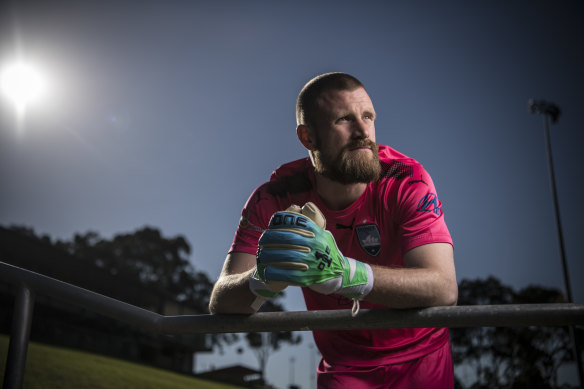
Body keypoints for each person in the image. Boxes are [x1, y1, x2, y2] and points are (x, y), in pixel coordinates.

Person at [209, 72, 457, 388]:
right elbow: (222, 301)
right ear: (308, 138)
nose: (363, 131)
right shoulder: (276, 196)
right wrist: (264, 279)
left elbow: (444, 287)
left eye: (368, 116)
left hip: (423, 361)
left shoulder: (406, 178)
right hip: (345, 369)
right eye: (344, 119)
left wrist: (344, 274)